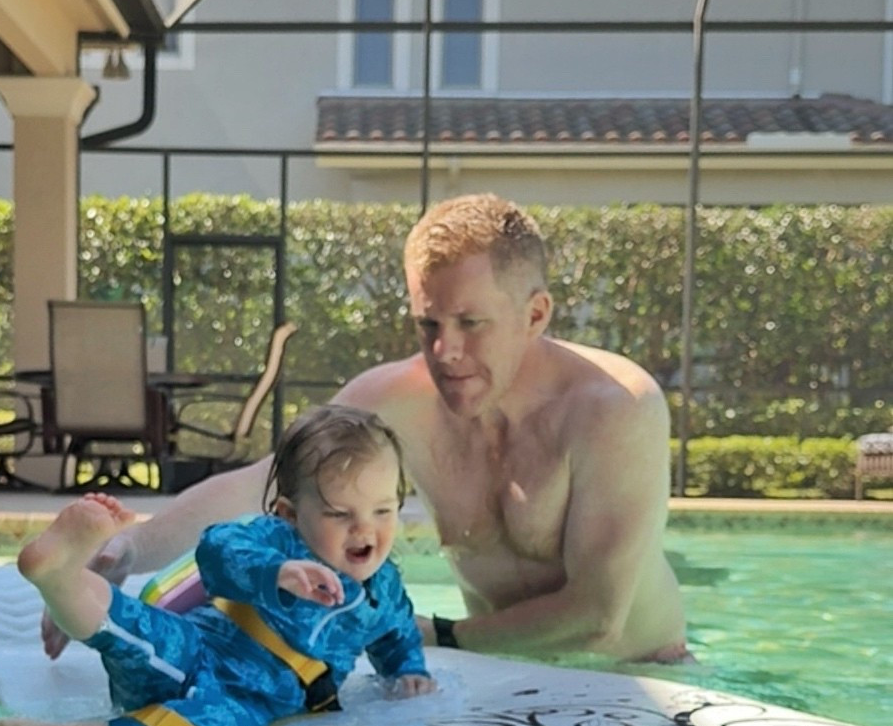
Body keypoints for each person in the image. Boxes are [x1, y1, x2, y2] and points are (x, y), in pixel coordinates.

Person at [40, 192, 687, 666]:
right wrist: (123, 553)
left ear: (536, 314)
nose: (445, 352)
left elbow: (597, 616)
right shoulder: (399, 399)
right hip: (502, 671)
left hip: (642, 679)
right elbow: (264, 486)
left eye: (471, 323)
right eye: (428, 324)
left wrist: (430, 635)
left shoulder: (613, 408)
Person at [0, 405, 435, 726]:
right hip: (202, 646)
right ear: (290, 513)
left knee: (211, 724)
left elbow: (396, 635)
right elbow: (217, 547)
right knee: (129, 627)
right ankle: (60, 576)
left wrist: (407, 670)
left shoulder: (385, 591)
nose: (364, 529)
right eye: (339, 514)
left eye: (383, 511)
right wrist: (275, 571)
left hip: (254, 699)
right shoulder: (276, 539)